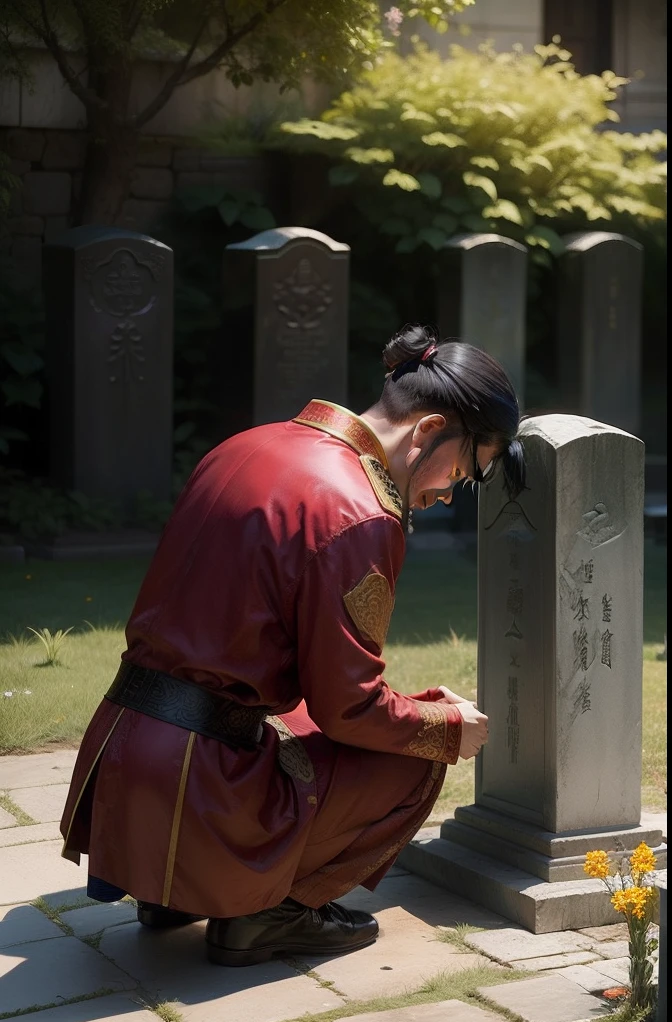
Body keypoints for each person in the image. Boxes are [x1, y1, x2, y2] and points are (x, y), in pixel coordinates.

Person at [60, 324, 526, 967]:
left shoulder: (251, 443)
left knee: (302, 719)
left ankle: (175, 887)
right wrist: (446, 725)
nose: (449, 491)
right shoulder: (361, 509)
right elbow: (349, 708)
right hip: (199, 776)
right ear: (425, 430)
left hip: (122, 752)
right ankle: (266, 914)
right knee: (417, 755)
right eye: (465, 469)